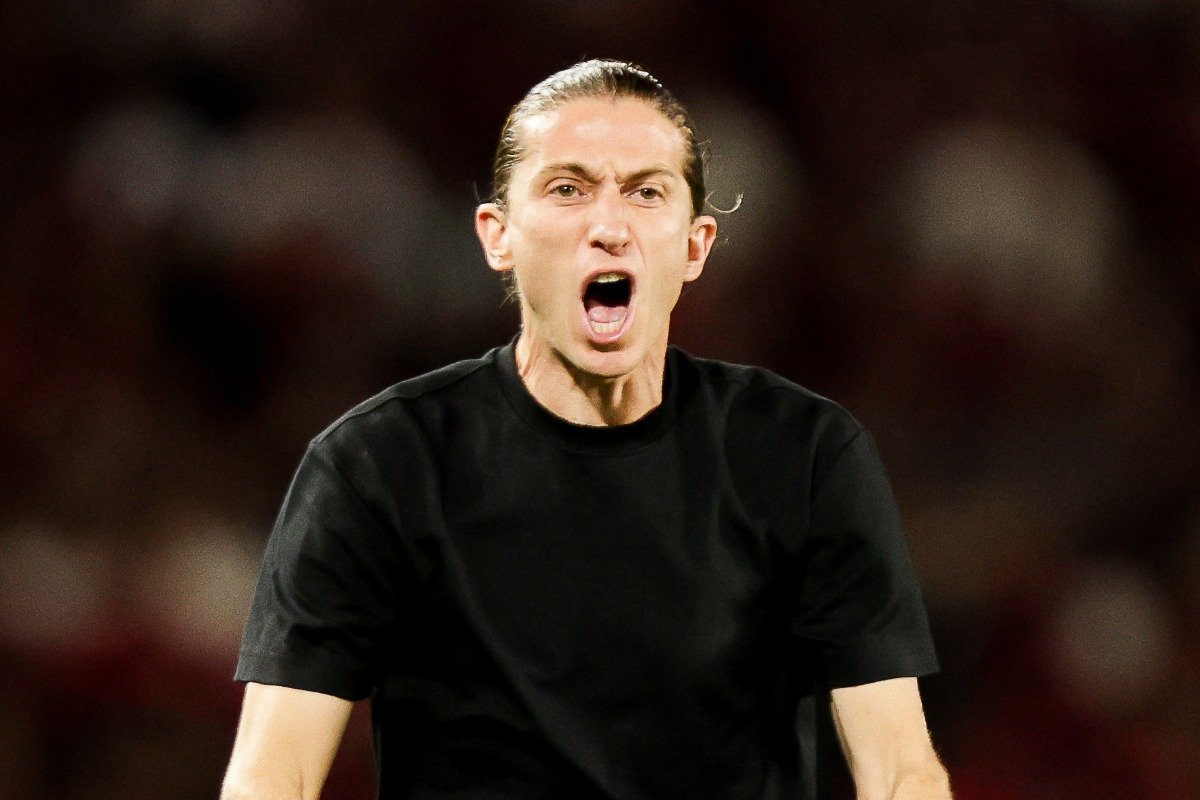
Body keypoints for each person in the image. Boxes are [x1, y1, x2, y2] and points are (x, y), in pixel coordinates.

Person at [222, 59, 951, 800]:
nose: (608, 227)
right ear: (497, 236)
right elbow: (272, 775)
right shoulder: (376, 465)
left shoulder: (805, 456)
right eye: (568, 189)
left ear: (696, 246)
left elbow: (899, 771)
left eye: (645, 192)